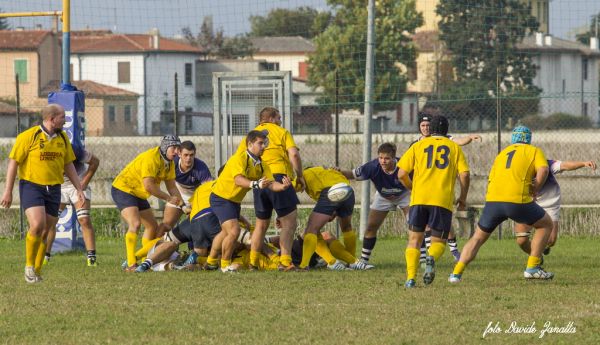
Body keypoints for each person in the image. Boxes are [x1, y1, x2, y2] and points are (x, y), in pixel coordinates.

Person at [449, 126, 554, 283]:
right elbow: (544, 170)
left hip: (493, 201)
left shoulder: (502, 153)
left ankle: (455, 274)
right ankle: (532, 268)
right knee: (545, 224)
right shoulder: (533, 151)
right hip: (517, 200)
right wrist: (535, 189)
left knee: (477, 238)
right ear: (528, 139)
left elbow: (492, 178)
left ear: (513, 139)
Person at [1, 104, 85, 283]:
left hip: (54, 188)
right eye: (63, 117)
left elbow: (68, 164)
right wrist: (8, 191)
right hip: (32, 186)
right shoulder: (28, 136)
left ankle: (37, 271)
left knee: (47, 230)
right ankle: (29, 267)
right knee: (38, 225)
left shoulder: (62, 138)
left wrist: (79, 189)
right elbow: (13, 163)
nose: (65, 120)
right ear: (52, 119)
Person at [397, 115, 470, 288]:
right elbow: (465, 174)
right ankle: (431, 258)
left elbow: (401, 173)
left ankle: (410, 278)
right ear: (446, 130)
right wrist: (463, 198)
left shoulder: (418, 145)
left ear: (431, 129)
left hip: (419, 199)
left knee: (414, 240)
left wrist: (413, 187)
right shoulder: (454, 147)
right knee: (438, 242)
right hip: (441, 200)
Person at [210, 130, 291, 272]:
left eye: (264, 143)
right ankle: (224, 266)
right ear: (250, 144)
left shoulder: (261, 164)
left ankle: (210, 262)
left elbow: (271, 184)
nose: (263, 146)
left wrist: (283, 186)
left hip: (234, 201)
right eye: (260, 143)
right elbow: (238, 180)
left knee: (226, 233)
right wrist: (255, 184)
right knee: (234, 231)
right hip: (221, 198)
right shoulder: (238, 158)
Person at [236, 107, 305, 271]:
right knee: (289, 222)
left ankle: (253, 262)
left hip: (259, 181)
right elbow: (294, 154)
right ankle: (286, 262)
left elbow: (239, 158)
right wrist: (299, 175)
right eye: (279, 118)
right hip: (279, 178)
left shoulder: (251, 137)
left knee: (261, 224)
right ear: (272, 119)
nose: (280, 121)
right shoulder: (282, 132)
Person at [111, 135, 184, 271]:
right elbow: (149, 186)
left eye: (178, 148)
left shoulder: (170, 163)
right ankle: (131, 264)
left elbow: (172, 187)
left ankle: (145, 260)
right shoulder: (151, 158)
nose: (176, 152)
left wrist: (182, 205)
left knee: (152, 227)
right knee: (135, 223)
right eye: (173, 148)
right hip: (123, 188)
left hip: (138, 193)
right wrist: (169, 199)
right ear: (165, 147)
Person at [414, 113, 481, 263]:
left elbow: (458, 141)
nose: (425, 128)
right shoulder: (416, 144)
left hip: (439, 188)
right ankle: (427, 257)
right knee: (426, 225)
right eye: (422, 126)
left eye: (427, 125)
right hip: (425, 190)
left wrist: (469, 138)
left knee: (442, 225)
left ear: (432, 127)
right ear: (419, 128)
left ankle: (453, 251)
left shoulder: (446, 141)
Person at [339, 142, 408, 268]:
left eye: (387, 158)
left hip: (404, 195)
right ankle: (364, 260)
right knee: (371, 227)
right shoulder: (372, 166)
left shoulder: (405, 164)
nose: (383, 161)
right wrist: (339, 172)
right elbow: (353, 174)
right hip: (383, 197)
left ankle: (423, 259)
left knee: (415, 225)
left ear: (394, 158)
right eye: (381, 158)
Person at [514, 159, 596, 257]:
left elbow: (565, 165)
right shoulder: (518, 168)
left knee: (551, 240)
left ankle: (537, 250)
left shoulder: (546, 164)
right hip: (530, 204)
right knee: (522, 239)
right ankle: (536, 255)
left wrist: (583, 163)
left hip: (550, 204)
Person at [298, 166, 366, 271]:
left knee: (311, 229)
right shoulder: (328, 171)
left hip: (331, 192)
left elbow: (290, 188)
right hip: (347, 190)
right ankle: (351, 262)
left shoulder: (305, 173)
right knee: (347, 227)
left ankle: (308, 265)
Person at [44, 148, 100, 266]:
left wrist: (84, 183)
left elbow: (95, 161)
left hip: (77, 184)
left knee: (84, 219)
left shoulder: (73, 149)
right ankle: (45, 256)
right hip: (58, 186)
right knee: (50, 222)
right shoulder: (45, 148)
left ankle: (91, 257)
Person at [158, 140, 213, 240]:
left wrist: (194, 203)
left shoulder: (201, 167)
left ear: (195, 154)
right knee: (166, 225)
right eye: (185, 155)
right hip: (178, 193)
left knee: (195, 226)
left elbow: (208, 190)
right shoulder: (172, 164)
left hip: (196, 197)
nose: (188, 158)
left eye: (191, 155)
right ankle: (155, 250)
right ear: (179, 153)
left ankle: (193, 251)